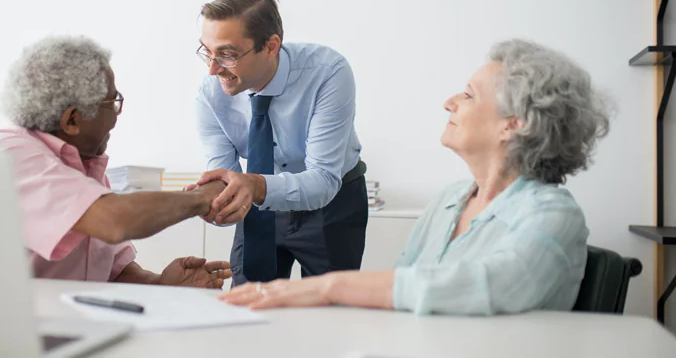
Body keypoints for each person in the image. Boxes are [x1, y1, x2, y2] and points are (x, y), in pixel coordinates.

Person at [219, 39, 611, 314]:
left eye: (470, 95)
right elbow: (405, 291)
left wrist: (325, 286)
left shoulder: (553, 214)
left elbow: (486, 287)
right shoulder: (450, 201)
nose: (450, 102)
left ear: (513, 124)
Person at [0, 35, 232, 288]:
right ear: (72, 120)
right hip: (13, 326)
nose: (116, 117)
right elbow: (114, 221)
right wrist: (202, 197)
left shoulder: (82, 166)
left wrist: (161, 283)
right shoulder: (6, 155)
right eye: (112, 101)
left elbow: (112, 271)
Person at [192, 0, 369, 286]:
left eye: (227, 54)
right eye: (207, 51)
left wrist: (250, 187)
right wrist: (213, 202)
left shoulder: (328, 72)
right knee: (247, 302)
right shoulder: (210, 94)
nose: (212, 69)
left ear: (271, 46)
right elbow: (228, 181)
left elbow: (323, 181)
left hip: (333, 202)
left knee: (331, 310)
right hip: (258, 202)